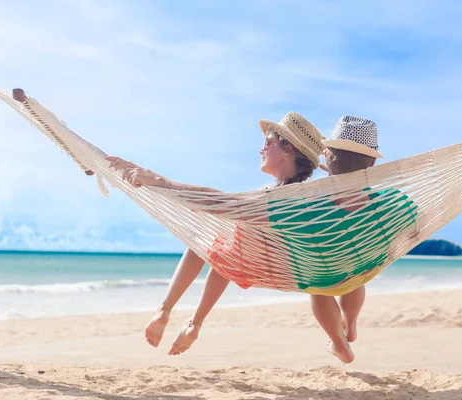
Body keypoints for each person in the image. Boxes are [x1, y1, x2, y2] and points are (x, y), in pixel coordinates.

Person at [106, 111, 326, 354]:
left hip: (276, 267)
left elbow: (218, 200)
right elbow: (223, 204)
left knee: (207, 233)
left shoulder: (282, 199)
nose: (261, 150)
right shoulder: (292, 195)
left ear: (287, 151)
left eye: (267, 143)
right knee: (225, 236)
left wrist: (162, 181)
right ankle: (193, 322)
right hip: (262, 262)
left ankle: (166, 310)